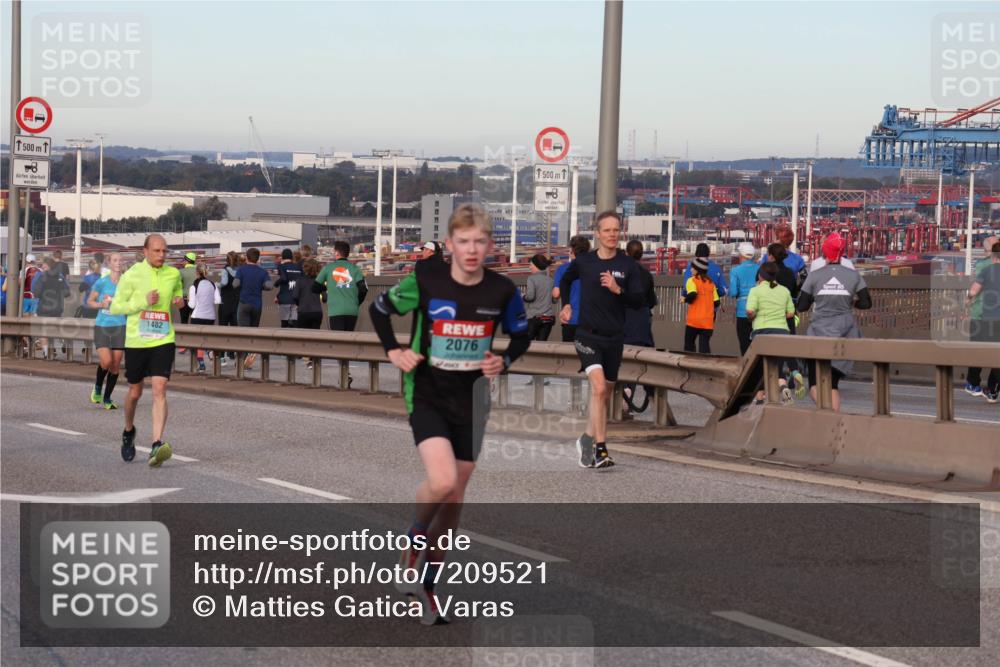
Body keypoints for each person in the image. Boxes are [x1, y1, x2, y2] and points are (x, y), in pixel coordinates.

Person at [369, 203, 530, 625]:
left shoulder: (501, 291)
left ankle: (427, 586)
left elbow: (522, 333)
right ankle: (412, 541)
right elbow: (380, 309)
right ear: (450, 244)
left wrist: (505, 360)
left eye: (480, 241)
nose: (472, 249)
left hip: (473, 399)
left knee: (455, 498)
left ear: (491, 245)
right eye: (463, 241)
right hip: (427, 392)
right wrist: (394, 350)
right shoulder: (426, 279)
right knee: (441, 481)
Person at [559, 211, 644, 469]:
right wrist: (565, 306)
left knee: (603, 395)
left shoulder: (628, 266)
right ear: (597, 233)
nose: (612, 235)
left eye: (616, 230)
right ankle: (601, 450)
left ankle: (586, 438)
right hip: (587, 336)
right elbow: (565, 279)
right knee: (598, 389)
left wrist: (618, 290)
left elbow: (639, 301)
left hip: (614, 338)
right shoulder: (585, 262)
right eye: (607, 230)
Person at [108, 234, 184, 466]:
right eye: (157, 251)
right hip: (137, 341)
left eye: (164, 251)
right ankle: (128, 431)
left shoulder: (173, 274)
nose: (162, 255)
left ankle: (156, 444)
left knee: (160, 388)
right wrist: (143, 301)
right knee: (135, 393)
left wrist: (179, 299)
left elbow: (178, 290)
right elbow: (116, 307)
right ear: (145, 251)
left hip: (163, 339)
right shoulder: (131, 275)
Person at [796, 233, 873, 412]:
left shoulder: (815, 275)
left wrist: (818, 297)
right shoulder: (853, 275)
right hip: (846, 333)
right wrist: (851, 302)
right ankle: (833, 417)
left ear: (825, 251)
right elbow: (866, 303)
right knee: (832, 385)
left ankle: (827, 415)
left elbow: (802, 306)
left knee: (815, 383)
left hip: (819, 333)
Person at [746, 262, 797, 404]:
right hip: (782, 333)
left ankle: (759, 400)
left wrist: (754, 315)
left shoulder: (755, 291)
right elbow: (791, 313)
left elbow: (750, 311)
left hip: (762, 333)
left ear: (760, 276)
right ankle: (787, 397)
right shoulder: (784, 290)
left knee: (761, 370)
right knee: (778, 369)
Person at [622, 240, 658, 417]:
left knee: (621, 361)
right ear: (642, 254)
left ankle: (624, 396)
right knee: (642, 362)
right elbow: (652, 301)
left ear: (626, 253)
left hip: (622, 322)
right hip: (642, 323)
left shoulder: (619, 272)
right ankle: (652, 401)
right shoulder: (646, 275)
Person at [87, 253, 126, 409]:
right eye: (115, 260)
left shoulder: (126, 283)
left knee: (116, 365)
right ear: (109, 263)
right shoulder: (101, 283)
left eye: (120, 260)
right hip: (102, 325)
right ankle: (97, 387)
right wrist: (101, 305)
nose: (118, 263)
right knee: (107, 361)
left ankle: (107, 398)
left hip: (120, 326)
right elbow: (90, 301)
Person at [966, 241, 1000, 402]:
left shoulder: (986, 270)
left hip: (988, 320)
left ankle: (990, 388)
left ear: (993, 257)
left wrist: (968, 301)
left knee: (991, 354)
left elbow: (973, 291)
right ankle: (992, 389)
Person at [315, 241, 368, 332]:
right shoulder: (355, 269)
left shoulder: (328, 268)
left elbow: (315, 287)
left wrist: (327, 290)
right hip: (352, 311)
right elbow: (363, 289)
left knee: (338, 341)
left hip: (335, 310)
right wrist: (356, 302)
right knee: (348, 340)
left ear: (336, 252)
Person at [233, 247, 273, 369]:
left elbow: (235, 284)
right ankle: (249, 356)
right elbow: (269, 286)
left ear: (246, 257)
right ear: (258, 258)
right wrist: (261, 286)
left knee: (243, 333)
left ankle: (241, 360)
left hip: (244, 303)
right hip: (257, 305)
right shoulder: (263, 272)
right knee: (253, 332)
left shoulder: (241, 269)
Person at [552, 235, 590, 342]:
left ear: (572, 251)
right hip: (590, 320)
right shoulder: (594, 268)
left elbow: (556, 294)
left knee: (569, 354)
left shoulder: (563, 269)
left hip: (570, 318)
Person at [188, 264, 221, 372]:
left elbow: (192, 305)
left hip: (197, 316)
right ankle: (210, 352)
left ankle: (201, 365)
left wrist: (188, 299)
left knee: (197, 342)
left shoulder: (194, 286)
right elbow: (218, 300)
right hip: (210, 317)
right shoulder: (212, 284)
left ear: (196, 272)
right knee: (206, 339)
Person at [683, 257, 719, 354]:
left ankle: (690, 366)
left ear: (698, 269)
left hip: (694, 320)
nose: (691, 269)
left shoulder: (691, 280)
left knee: (689, 345)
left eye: (692, 268)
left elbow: (692, 294)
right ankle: (705, 366)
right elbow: (716, 302)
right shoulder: (711, 283)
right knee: (704, 348)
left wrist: (684, 299)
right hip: (707, 321)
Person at [728, 242, 759, 355]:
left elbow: (734, 292)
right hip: (758, 309)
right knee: (757, 343)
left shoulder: (735, 271)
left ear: (741, 255)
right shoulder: (760, 268)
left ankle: (747, 368)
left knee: (744, 343)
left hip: (742, 311)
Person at [216, 251, 241, 366]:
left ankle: (221, 355)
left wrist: (217, 284)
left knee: (222, 328)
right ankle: (232, 352)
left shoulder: (225, 270)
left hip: (225, 302)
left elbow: (224, 283)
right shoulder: (240, 271)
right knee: (234, 329)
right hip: (236, 302)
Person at [524, 253, 555, 341]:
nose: (529, 267)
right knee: (542, 345)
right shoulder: (551, 280)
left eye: (530, 265)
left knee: (527, 345)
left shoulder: (531, 279)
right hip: (548, 318)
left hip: (534, 317)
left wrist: (523, 297)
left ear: (536, 266)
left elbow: (530, 297)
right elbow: (554, 299)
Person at [274, 248, 303, 328]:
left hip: (285, 298)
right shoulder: (298, 267)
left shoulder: (281, 266)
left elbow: (283, 278)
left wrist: (276, 283)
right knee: (295, 322)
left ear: (283, 256)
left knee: (284, 322)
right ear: (291, 257)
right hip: (296, 298)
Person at [177, 251, 198, 352]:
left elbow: (178, 286)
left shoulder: (181, 271)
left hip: (185, 299)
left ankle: (183, 346)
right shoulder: (198, 271)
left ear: (187, 260)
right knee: (195, 323)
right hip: (196, 300)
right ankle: (195, 344)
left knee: (184, 322)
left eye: (183, 259)